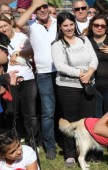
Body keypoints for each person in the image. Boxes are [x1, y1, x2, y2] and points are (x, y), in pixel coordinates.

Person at [51, 11, 98, 167]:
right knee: (70, 120)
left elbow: (94, 58)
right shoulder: (57, 45)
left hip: (88, 84)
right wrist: (80, 73)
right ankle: (70, 154)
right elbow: (60, 65)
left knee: (87, 121)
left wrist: (89, 72)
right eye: (65, 25)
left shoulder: (84, 40)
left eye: (71, 24)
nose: (69, 28)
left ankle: (86, 152)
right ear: (60, 27)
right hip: (67, 86)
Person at [16, 0, 57, 159]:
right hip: (44, 74)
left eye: (44, 6)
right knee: (47, 112)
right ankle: (50, 145)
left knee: (65, 109)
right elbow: (19, 23)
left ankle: (68, 145)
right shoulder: (31, 25)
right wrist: (34, 5)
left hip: (62, 72)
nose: (42, 10)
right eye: (38, 8)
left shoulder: (56, 21)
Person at [0, 14, 38, 148]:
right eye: (0, 27)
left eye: (5, 25)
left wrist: (17, 54)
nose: (3, 29)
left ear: (10, 24)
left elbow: (30, 52)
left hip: (28, 79)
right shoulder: (1, 41)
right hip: (9, 81)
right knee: (13, 113)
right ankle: (15, 139)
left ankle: (32, 140)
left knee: (30, 113)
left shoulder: (22, 37)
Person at [86, 15, 108, 118]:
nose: (99, 28)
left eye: (102, 26)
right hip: (94, 85)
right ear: (91, 26)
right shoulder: (86, 41)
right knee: (96, 116)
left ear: (106, 28)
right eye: (96, 25)